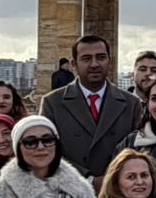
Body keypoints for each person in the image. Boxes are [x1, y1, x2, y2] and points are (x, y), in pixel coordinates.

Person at [39, 35, 143, 181]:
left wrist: (111, 180)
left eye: (101, 57)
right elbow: (46, 151)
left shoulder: (131, 103)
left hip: (118, 187)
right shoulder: (52, 103)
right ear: (73, 64)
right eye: (86, 58)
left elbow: (138, 151)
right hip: (71, 187)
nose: (94, 64)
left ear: (110, 62)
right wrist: (89, 180)